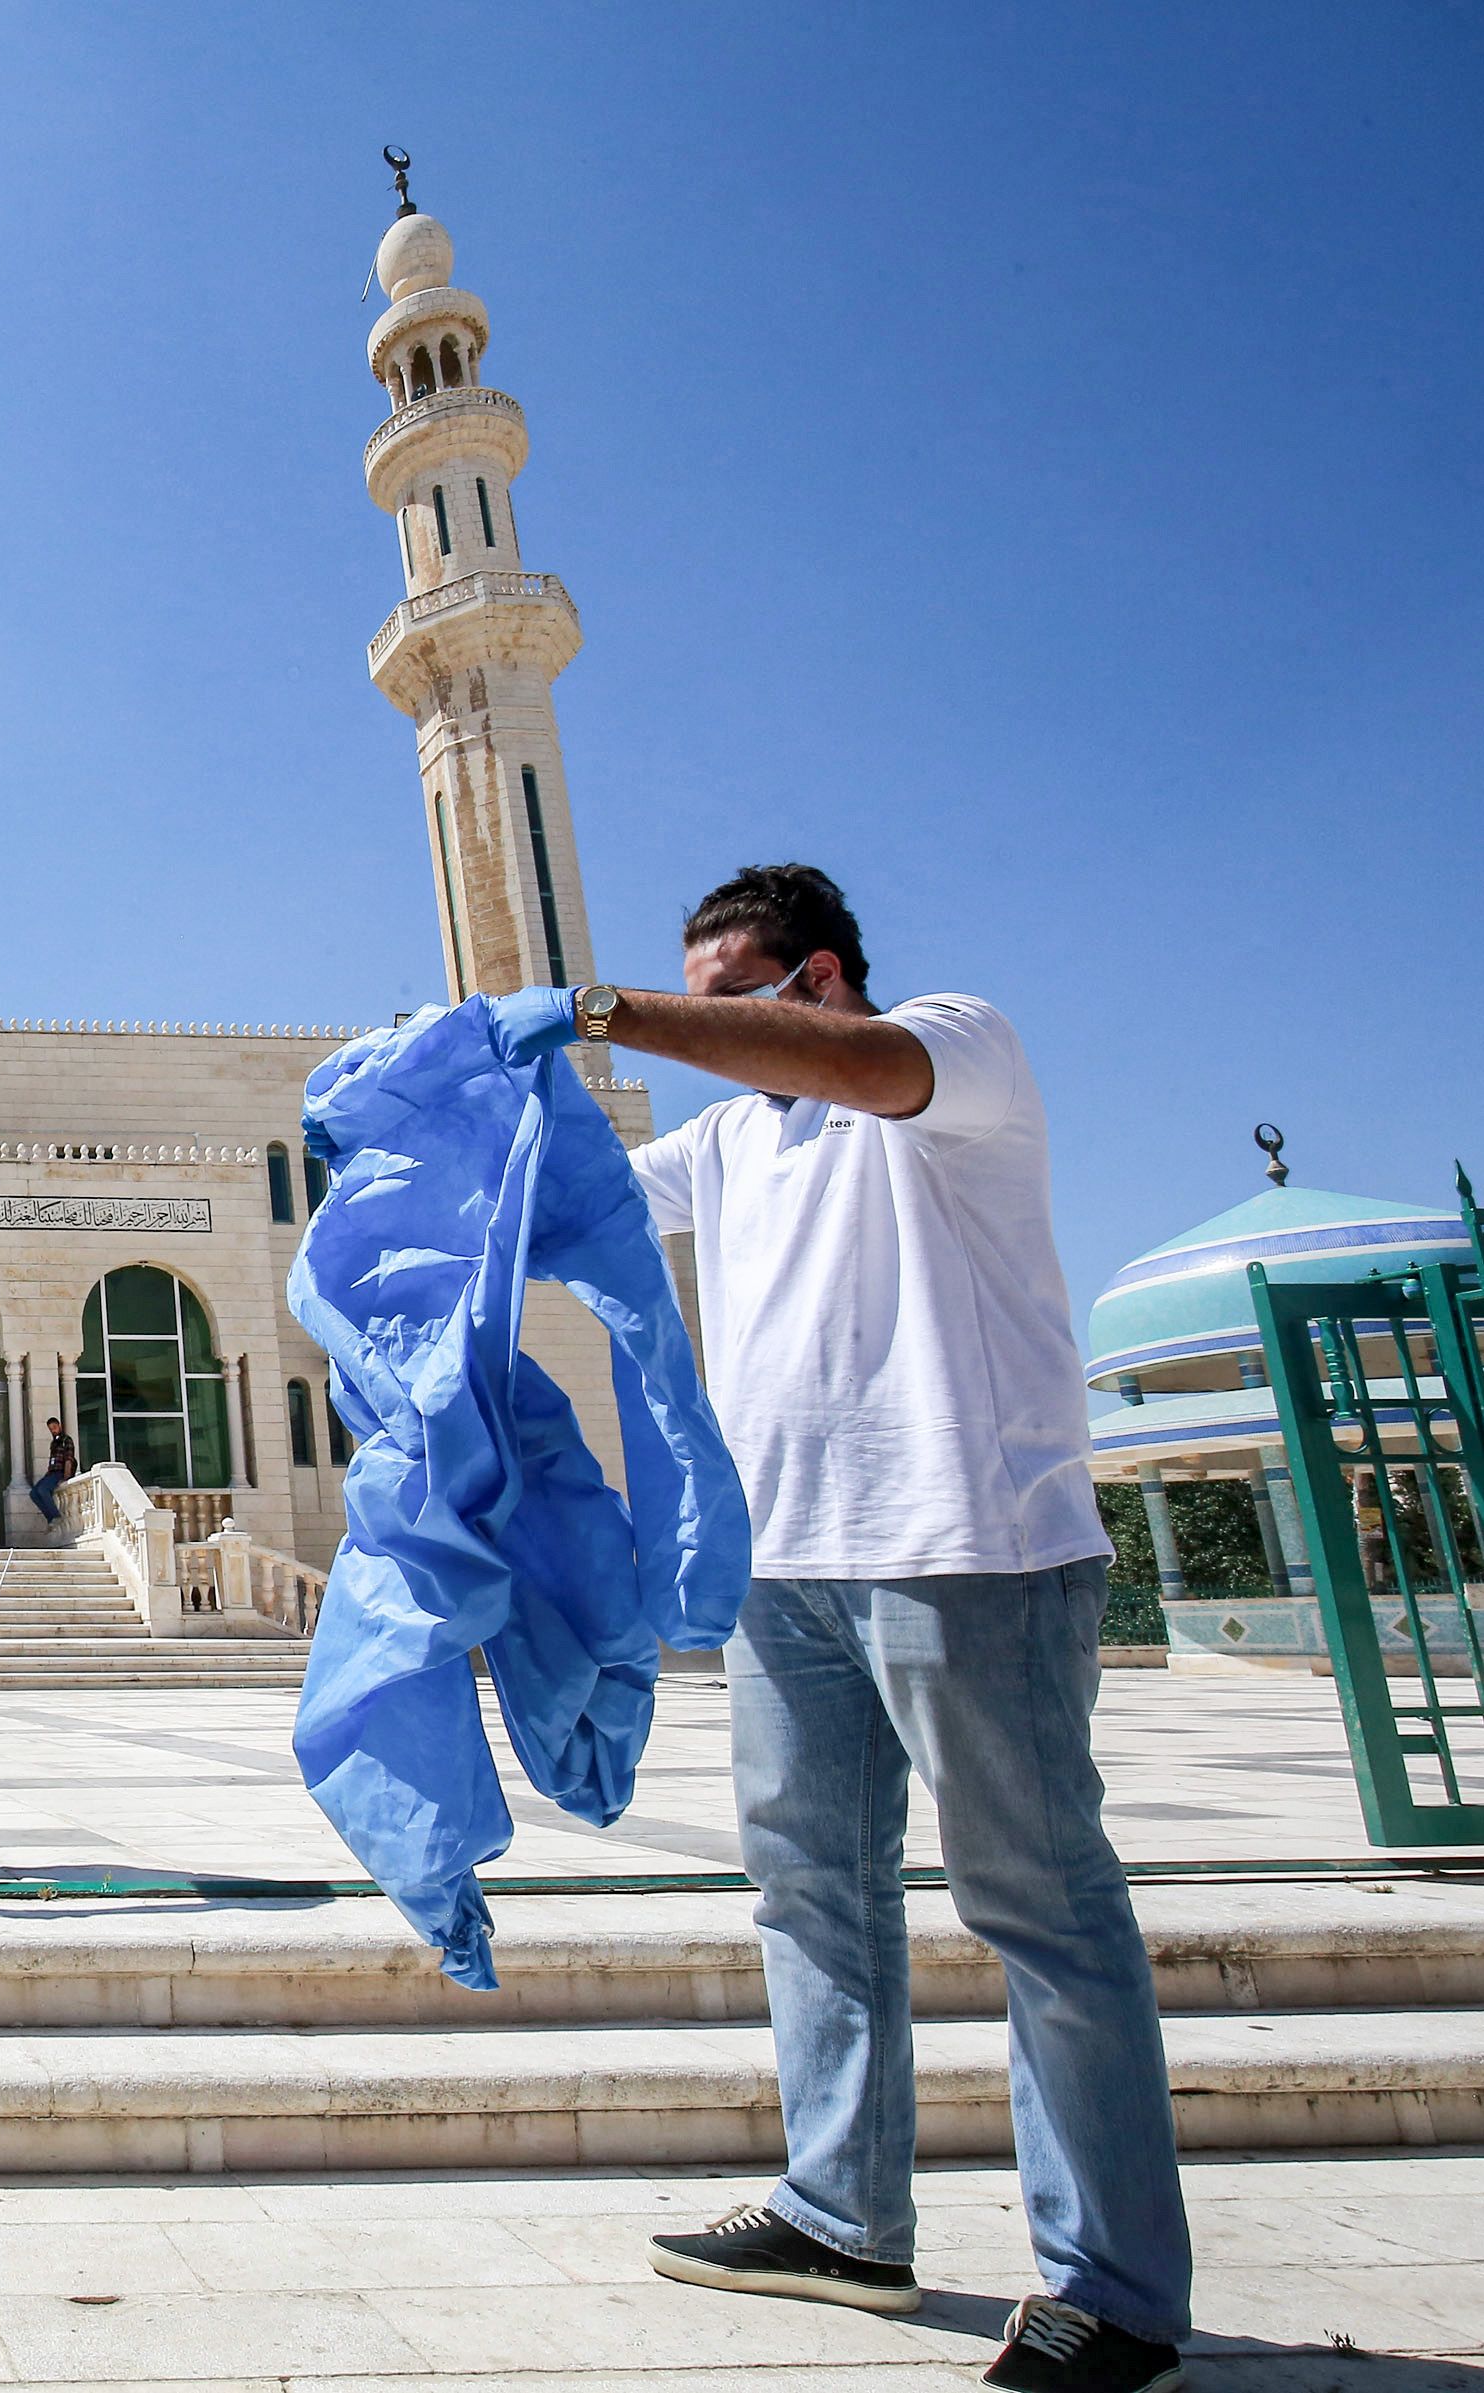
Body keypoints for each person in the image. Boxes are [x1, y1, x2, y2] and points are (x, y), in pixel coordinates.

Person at [502, 864, 1189, 2393]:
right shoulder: (734, 1141)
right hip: (783, 1563)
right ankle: (842, 2213)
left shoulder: (954, 1050)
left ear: (816, 980)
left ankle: (1118, 2290)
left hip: (966, 1548)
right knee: (812, 1889)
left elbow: (861, 1073)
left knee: (1039, 1906)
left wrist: (604, 1011)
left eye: (729, 998)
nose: (706, 1035)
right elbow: (573, 1218)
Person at [28, 1415, 77, 1529]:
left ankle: (56, 1516)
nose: (53, 1431)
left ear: (59, 1426)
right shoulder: (53, 1443)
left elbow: (69, 1459)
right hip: (51, 1472)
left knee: (43, 1490)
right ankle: (50, 1518)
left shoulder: (66, 1440)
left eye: (54, 1427)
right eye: (51, 1429)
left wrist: (66, 1476)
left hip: (59, 1472)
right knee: (34, 1493)